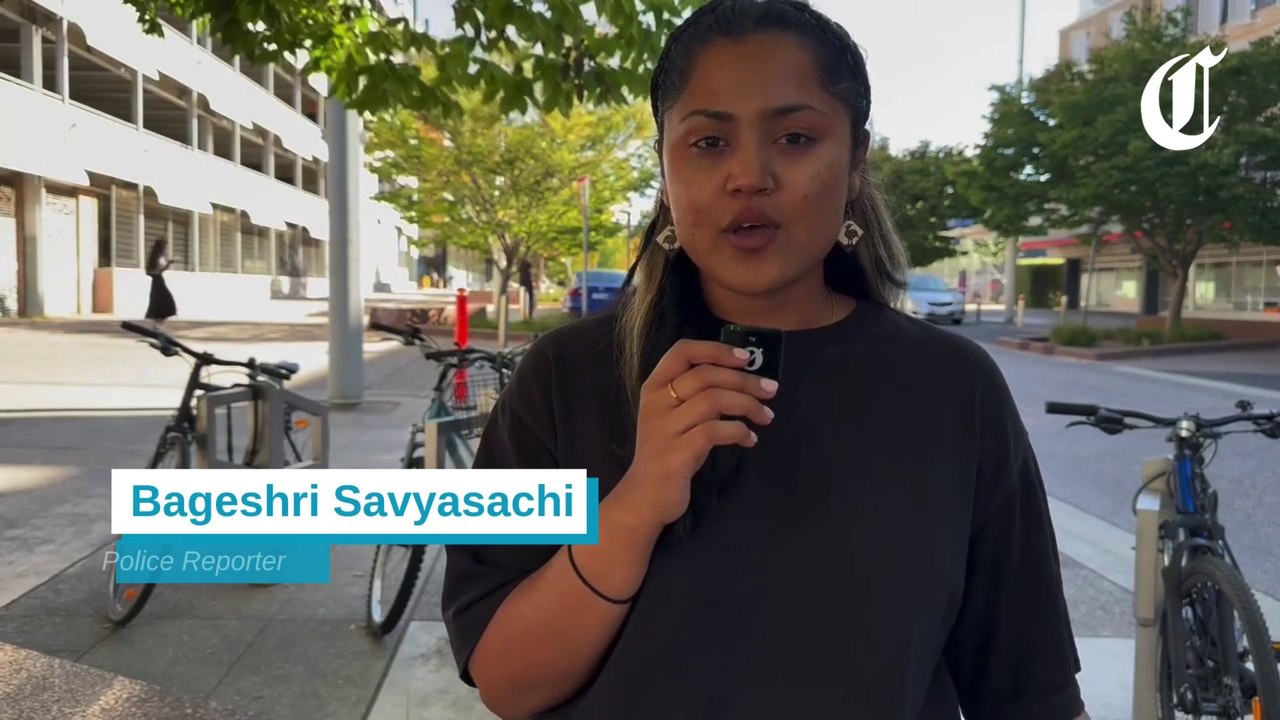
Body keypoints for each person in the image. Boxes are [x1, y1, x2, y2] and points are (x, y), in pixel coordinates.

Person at [440, 1, 1088, 718]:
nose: (749, 175)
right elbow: (507, 681)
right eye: (709, 142)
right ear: (665, 168)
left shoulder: (951, 389)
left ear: (856, 162)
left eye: (795, 137)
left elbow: (1031, 693)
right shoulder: (564, 377)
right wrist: (636, 504)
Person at [144, 237, 176, 325]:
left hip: (158, 279)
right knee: (163, 298)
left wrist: (168, 264)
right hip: (158, 279)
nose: (165, 248)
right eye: (164, 245)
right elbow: (154, 271)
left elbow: (158, 270)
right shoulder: (157, 257)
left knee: (159, 298)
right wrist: (168, 264)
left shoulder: (157, 257)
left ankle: (158, 318)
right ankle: (158, 317)